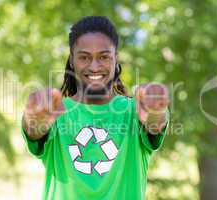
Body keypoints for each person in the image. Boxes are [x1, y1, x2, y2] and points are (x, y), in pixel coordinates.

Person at [22, 16, 170, 200]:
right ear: (71, 60)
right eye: (84, 57)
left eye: (103, 57)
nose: (94, 66)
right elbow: (34, 130)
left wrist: (155, 111)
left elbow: (155, 123)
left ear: (116, 59)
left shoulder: (135, 111)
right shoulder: (56, 111)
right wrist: (33, 118)